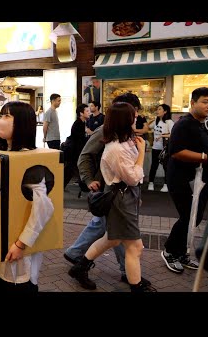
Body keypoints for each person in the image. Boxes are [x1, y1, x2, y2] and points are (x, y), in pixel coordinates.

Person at [64, 92, 151, 287]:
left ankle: (79, 261)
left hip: (121, 192)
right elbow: (85, 156)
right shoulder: (107, 134)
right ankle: (128, 274)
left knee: (112, 236)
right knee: (125, 240)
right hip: (112, 192)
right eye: (133, 113)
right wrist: (88, 180)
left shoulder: (126, 137)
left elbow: (133, 175)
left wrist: (136, 194)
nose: (136, 116)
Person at [0, 101, 53, 293]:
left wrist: (21, 243)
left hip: (18, 254)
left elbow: (44, 207)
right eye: (1, 115)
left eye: (7, 116)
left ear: (22, 123)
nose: (1, 121)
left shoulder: (29, 160)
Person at [161, 87, 208, 274]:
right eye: (205, 102)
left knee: (195, 218)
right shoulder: (184, 124)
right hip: (182, 179)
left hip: (202, 180)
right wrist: (207, 158)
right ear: (193, 103)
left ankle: (182, 253)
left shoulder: (206, 124)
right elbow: (176, 152)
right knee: (187, 217)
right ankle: (169, 251)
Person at [147, 104, 174, 192]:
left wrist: (162, 135)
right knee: (154, 165)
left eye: (159, 109)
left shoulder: (169, 122)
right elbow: (147, 127)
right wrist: (150, 120)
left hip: (165, 148)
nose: (157, 111)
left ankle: (166, 185)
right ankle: (151, 183)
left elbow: (173, 134)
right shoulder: (156, 120)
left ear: (165, 111)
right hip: (155, 147)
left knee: (166, 166)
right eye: (157, 109)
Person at [63, 103, 89, 189]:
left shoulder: (82, 122)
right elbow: (78, 139)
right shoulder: (78, 123)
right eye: (87, 111)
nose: (89, 112)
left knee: (71, 170)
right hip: (74, 151)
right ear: (81, 113)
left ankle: (60, 185)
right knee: (71, 169)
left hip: (76, 151)